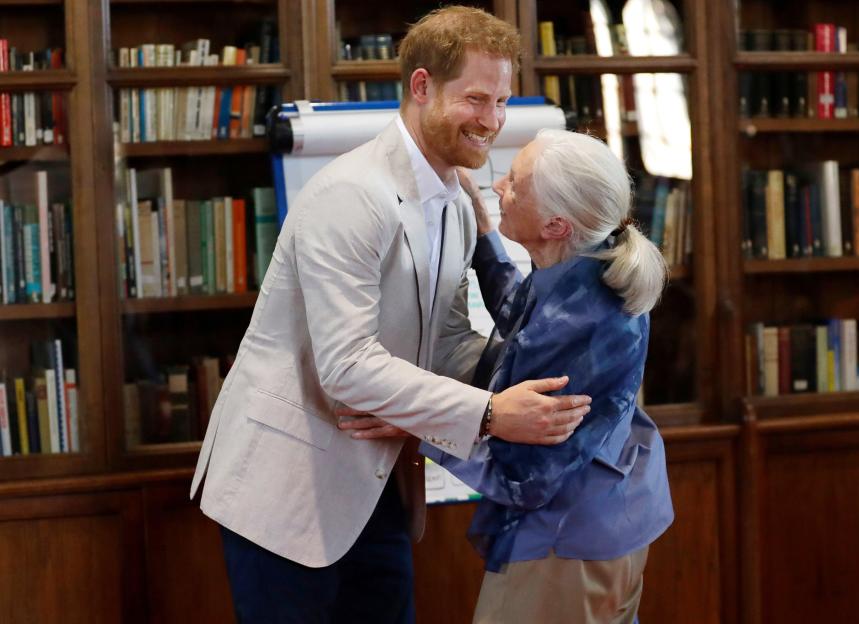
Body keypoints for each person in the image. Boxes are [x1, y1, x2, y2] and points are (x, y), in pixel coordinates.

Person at [188, 7, 591, 623]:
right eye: (477, 98)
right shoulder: (353, 193)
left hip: (379, 484)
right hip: (286, 491)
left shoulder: (458, 205)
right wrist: (489, 414)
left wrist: (534, 368)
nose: (492, 121)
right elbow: (347, 366)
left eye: (503, 101)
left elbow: (449, 339)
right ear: (422, 86)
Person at [427, 129, 674, 623]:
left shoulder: (580, 322)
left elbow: (524, 476)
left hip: (564, 545)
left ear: (556, 224)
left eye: (515, 185)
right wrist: (483, 238)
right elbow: (525, 320)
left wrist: (416, 423)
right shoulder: (588, 269)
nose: (498, 189)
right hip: (607, 523)